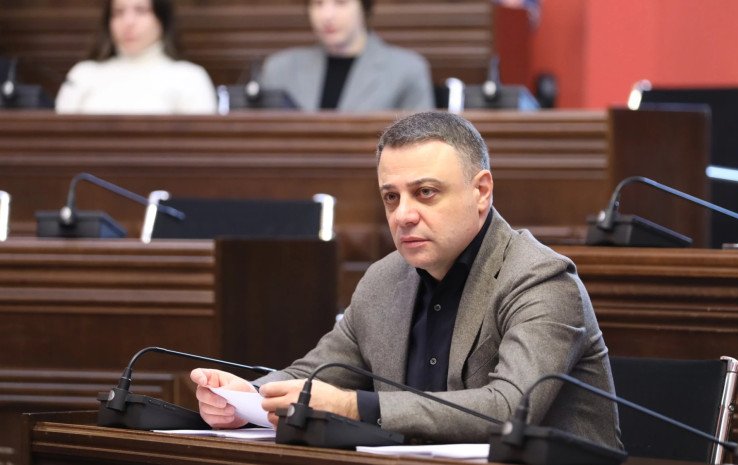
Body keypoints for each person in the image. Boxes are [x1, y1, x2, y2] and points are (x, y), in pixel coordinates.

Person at [191, 111, 622, 446]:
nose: (403, 215)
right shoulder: (383, 280)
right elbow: (317, 373)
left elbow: (508, 408)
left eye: (425, 193)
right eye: (391, 197)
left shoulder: (540, 279)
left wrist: (354, 407)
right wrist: (246, 397)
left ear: (481, 191)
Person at [259, 0, 434, 112]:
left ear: (363, 7)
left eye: (340, 3)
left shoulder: (407, 70)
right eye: (318, 3)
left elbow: (422, 146)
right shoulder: (279, 69)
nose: (327, 16)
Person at [55, 0, 217, 114]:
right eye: (118, 12)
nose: (128, 22)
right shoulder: (82, 74)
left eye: (141, 10)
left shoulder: (190, 77)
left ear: (162, 19)